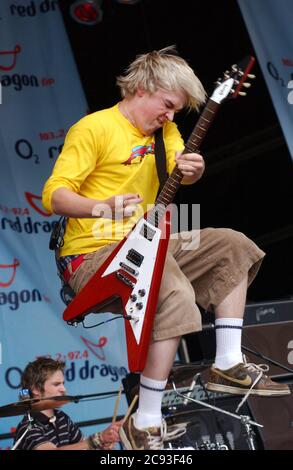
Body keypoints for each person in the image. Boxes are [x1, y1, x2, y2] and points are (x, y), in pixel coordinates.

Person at [42, 46, 290, 450]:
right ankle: (146, 418)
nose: (171, 117)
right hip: (92, 254)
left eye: (176, 111)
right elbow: (53, 196)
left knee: (233, 244)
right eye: (168, 105)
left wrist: (196, 169)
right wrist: (100, 207)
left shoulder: (165, 132)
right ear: (143, 87)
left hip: (148, 240)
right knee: (169, 283)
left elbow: (183, 167)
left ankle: (227, 361)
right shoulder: (93, 129)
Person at [14, 357, 122, 450]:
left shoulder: (62, 418)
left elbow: (83, 446)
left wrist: (102, 445)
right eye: (56, 384)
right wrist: (99, 438)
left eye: (63, 383)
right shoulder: (28, 426)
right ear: (36, 389)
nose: (64, 389)